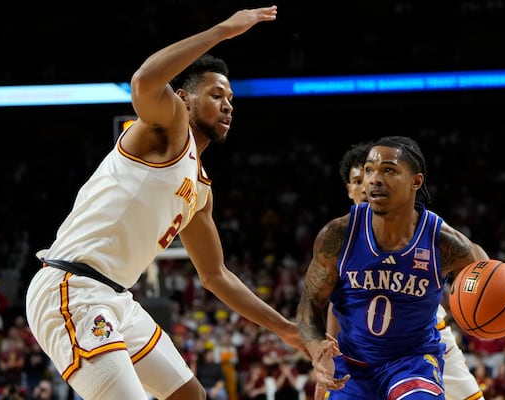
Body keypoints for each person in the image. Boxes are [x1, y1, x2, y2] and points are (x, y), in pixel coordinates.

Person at [25, 6, 306, 400]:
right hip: (72, 288)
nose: (228, 105)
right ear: (183, 99)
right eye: (216, 94)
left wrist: (286, 329)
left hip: (116, 298)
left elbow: (216, 276)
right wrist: (222, 31)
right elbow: (143, 81)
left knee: (190, 396)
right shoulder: (169, 128)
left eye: (231, 98)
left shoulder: (201, 189)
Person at [295, 136, 505, 399]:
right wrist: (317, 348)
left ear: (416, 181)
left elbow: (494, 291)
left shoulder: (446, 243)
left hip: (413, 363)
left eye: (388, 170)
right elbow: (310, 303)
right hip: (353, 365)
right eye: (369, 170)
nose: (374, 179)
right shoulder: (337, 236)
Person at [324, 140, 486, 400]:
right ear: (349, 189)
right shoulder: (344, 235)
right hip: (364, 350)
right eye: (359, 180)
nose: (368, 186)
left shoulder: (421, 228)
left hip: (424, 338)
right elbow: (336, 303)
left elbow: (475, 260)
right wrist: (327, 355)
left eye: (384, 172)